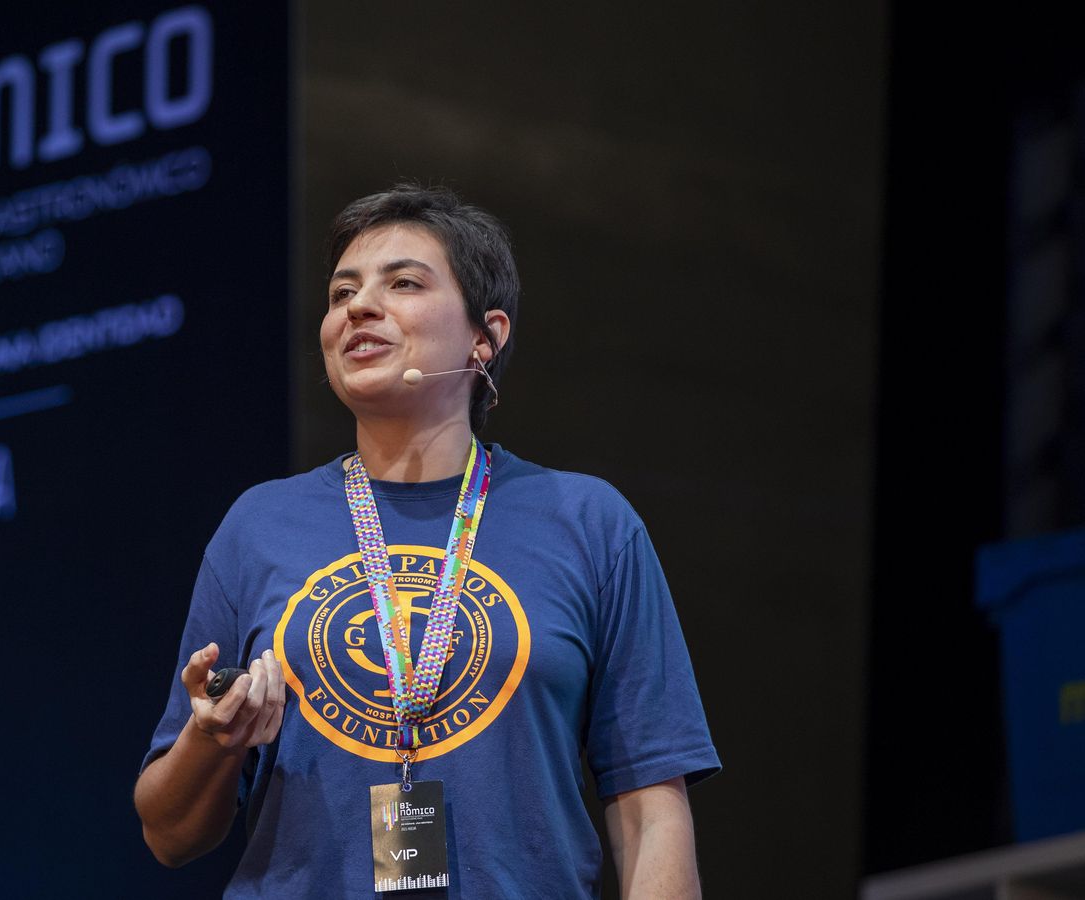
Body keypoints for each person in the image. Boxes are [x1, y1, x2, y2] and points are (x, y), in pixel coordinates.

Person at [134, 184, 719, 898]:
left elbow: (652, 812)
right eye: (342, 291)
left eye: (404, 283)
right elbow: (168, 834)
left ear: (486, 336)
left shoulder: (589, 521)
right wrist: (212, 740)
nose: (359, 306)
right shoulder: (258, 526)